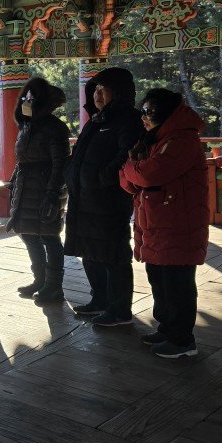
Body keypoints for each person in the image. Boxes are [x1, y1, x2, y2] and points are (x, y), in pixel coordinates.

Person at [120, 89, 208, 358]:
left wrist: (131, 168)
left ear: (167, 113)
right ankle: (167, 329)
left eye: (150, 111)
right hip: (156, 223)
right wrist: (133, 171)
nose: (144, 117)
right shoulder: (155, 141)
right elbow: (129, 183)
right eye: (143, 111)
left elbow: (149, 174)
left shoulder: (182, 140)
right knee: (159, 280)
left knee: (177, 284)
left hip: (179, 224)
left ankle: (182, 341)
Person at [64, 67, 144, 326]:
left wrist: (102, 177)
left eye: (104, 89)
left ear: (118, 92)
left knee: (113, 254)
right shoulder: (96, 120)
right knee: (90, 251)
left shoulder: (129, 120)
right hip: (83, 199)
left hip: (109, 200)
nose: (97, 94)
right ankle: (99, 299)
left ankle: (119, 310)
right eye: (95, 89)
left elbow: (126, 156)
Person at [6, 78, 71, 303]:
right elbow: (21, 159)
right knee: (28, 234)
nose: (28, 100)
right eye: (26, 96)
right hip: (25, 186)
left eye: (32, 97)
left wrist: (53, 192)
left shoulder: (55, 127)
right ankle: (40, 279)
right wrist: (14, 182)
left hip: (46, 187)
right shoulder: (27, 126)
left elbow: (61, 163)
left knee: (49, 237)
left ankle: (54, 286)